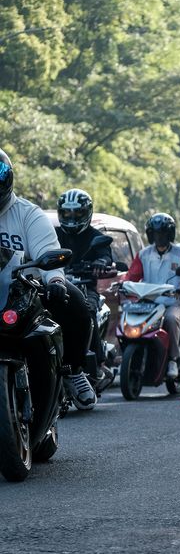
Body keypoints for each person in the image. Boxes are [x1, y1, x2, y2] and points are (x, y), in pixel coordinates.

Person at [0, 149, 95, 409]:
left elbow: (47, 251)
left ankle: (74, 370)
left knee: (76, 302)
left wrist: (55, 281)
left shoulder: (28, 214)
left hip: (26, 289)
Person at [125, 213, 180, 379]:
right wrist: (124, 284)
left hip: (174, 301)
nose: (159, 236)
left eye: (163, 233)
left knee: (171, 319)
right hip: (150, 302)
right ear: (150, 234)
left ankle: (173, 359)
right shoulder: (143, 254)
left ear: (170, 234)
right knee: (130, 316)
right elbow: (132, 275)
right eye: (156, 233)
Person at [56, 188, 113, 380]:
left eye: (78, 213)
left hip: (85, 287)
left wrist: (101, 262)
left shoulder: (95, 236)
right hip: (55, 286)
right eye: (67, 213)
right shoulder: (53, 234)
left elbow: (106, 255)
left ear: (87, 212)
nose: (72, 218)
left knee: (87, 312)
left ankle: (98, 364)